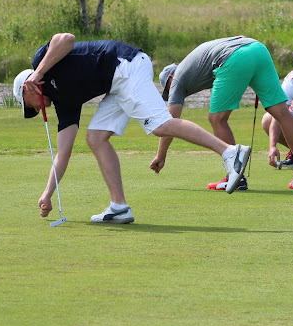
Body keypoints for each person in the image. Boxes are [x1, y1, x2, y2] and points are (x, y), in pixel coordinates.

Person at [13, 33, 250, 224]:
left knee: (160, 125)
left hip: (125, 65)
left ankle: (230, 151)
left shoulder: (41, 62)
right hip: (116, 83)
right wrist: (48, 193)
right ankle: (119, 207)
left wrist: (40, 72)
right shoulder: (65, 105)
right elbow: (62, 154)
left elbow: (66, 38)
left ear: (27, 88)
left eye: (29, 107)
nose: (34, 111)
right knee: (95, 138)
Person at [155, 36, 293, 190]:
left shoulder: (176, 80)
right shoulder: (194, 66)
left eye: (168, 90)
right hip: (258, 50)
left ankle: (236, 177)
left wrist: (161, 156)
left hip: (234, 57)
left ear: (170, 79)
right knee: (281, 111)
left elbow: (170, 122)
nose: (171, 94)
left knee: (217, 119)